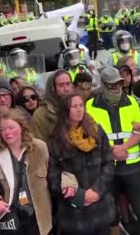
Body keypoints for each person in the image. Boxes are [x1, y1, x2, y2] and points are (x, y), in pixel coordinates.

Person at [86, 67, 140, 235]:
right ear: (103, 85)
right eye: (112, 85)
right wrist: (111, 152)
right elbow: (89, 137)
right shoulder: (91, 106)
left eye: (119, 83)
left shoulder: (131, 102)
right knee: (111, 215)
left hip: (132, 166)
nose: (117, 88)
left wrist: (124, 147)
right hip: (105, 169)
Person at [48, 93, 115, 235]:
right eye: (74, 106)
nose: (79, 110)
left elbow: (108, 162)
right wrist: (80, 196)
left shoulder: (97, 131)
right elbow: (54, 178)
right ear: (66, 110)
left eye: (81, 105)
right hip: (74, 215)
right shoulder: (56, 140)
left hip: (101, 207)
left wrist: (96, 191)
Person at [0, 109, 52, 235]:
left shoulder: (39, 148)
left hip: (38, 219)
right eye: (2, 129)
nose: (7, 132)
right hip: (10, 219)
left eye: (11, 127)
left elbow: (53, 177)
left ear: (22, 127)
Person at [31, 70, 73, 142]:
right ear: (53, 88)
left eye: (68, 84)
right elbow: (40, 146)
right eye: (61, 85)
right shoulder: (41, 114)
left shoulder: (77, 106)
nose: (66, 89)